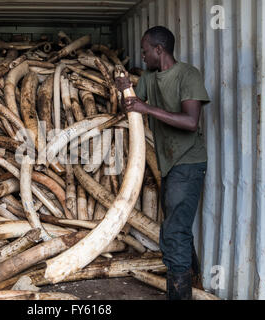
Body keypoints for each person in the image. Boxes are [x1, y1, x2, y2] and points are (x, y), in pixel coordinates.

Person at [116, 26, 210, 300]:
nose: (142, 56)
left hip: (189, 163)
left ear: (159, 50)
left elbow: (191, 122)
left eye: (145, 51)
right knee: (176, 226)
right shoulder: (148, 77)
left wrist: (146, 108)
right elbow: (134, 106)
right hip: (169, 164)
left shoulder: (187, 75)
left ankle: (179, 295)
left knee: (174, 231)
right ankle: (196, 284)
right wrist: (127, 93)